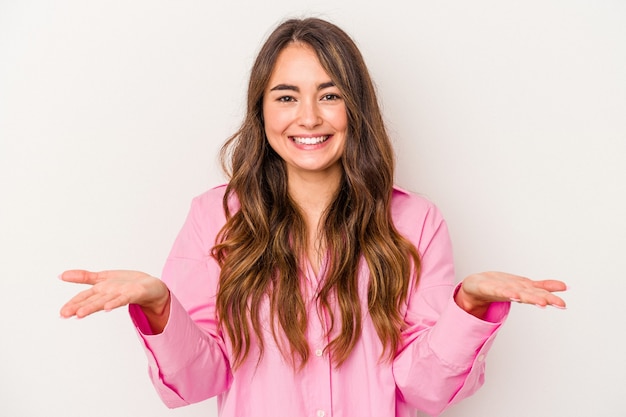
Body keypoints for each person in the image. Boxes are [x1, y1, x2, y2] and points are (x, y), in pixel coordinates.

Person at [59, 17, 567, 417]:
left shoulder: (416, 222)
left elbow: (425, 388)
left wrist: (469, 306)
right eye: (286, 97)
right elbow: (198, 381)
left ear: (356, 107)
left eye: (330, 95)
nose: (308, 117)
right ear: (261, 111)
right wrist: (160, 305)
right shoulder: (215, 216)